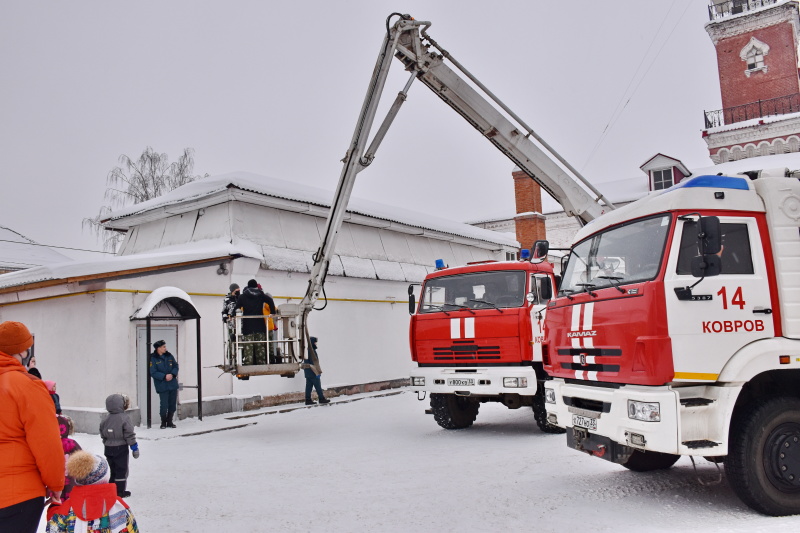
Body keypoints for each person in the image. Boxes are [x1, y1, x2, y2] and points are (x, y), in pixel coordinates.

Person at [0, 321, 65, 533]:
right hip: (18, 494)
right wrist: (56, 484)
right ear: (23, 350)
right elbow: (46, 442)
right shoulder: (27, 386)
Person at [46, 451, 139, 533]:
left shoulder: (68, 508)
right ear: (106, 478)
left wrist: (54, 508)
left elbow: (53, 529)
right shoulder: (119, 507)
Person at [99, 394, 139, 498]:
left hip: (108, 448)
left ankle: (111, 490)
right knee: (121, 469)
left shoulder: (105, 419)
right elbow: (129, 433)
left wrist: (106, 442)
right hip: (121, 447)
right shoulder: (124, 418)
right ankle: (120, 491)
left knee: (112, 469)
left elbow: (102, 432)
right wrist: (134, 447)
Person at [236, 279, 276, 365]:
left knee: (248, 346)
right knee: (260, 345)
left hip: (248, 325)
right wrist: (273, 312)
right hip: (260, 325)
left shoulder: (242, 296)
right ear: (256, 286)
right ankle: (261, 362)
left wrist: (232, 315)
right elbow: (270, 301)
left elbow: (237, 307)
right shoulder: (261, 295)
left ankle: (248, 363)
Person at [149, 340, 179, 429]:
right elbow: (153, 372)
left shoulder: (169, 356)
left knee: (172, 404)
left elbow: (175, 366)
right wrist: (164, 376)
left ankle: (170, 421)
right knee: (164, 405)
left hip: (172, 383)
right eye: (163, 347)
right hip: (162, 385)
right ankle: (163, 422)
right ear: (158, 348)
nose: (165, 348)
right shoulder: (153, 358)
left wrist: (173, 374)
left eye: (165, 346)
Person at [56, 415, 82, 501]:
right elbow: (81, 456)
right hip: (71, 477)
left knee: (57, 498)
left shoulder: (51, 444)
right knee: (71, 498)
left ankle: (57, 512)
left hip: (55, 477)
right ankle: (69, 512)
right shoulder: (70, 443)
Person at [304, 336, 330, 405]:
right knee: (318, 386)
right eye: (315, 342)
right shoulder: (311, 351)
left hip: (307, 372)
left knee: (308, 387)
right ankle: (321, 399)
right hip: (313, 372)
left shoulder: (306, 351)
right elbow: (314, 363)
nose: (316, 344)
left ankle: (308, 400)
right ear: (312, 343)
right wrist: (317, 373)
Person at [222, 283, 241, 366]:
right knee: (232, 340)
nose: (238, 292)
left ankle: (239, 358)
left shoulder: (241, 299)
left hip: (240, 324)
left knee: (240, 340)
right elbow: (224, 311)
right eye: (237, 290)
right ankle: (231, 358)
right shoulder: (227, 299)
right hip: (231, 324)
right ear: (233, 291)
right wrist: (225, 318)